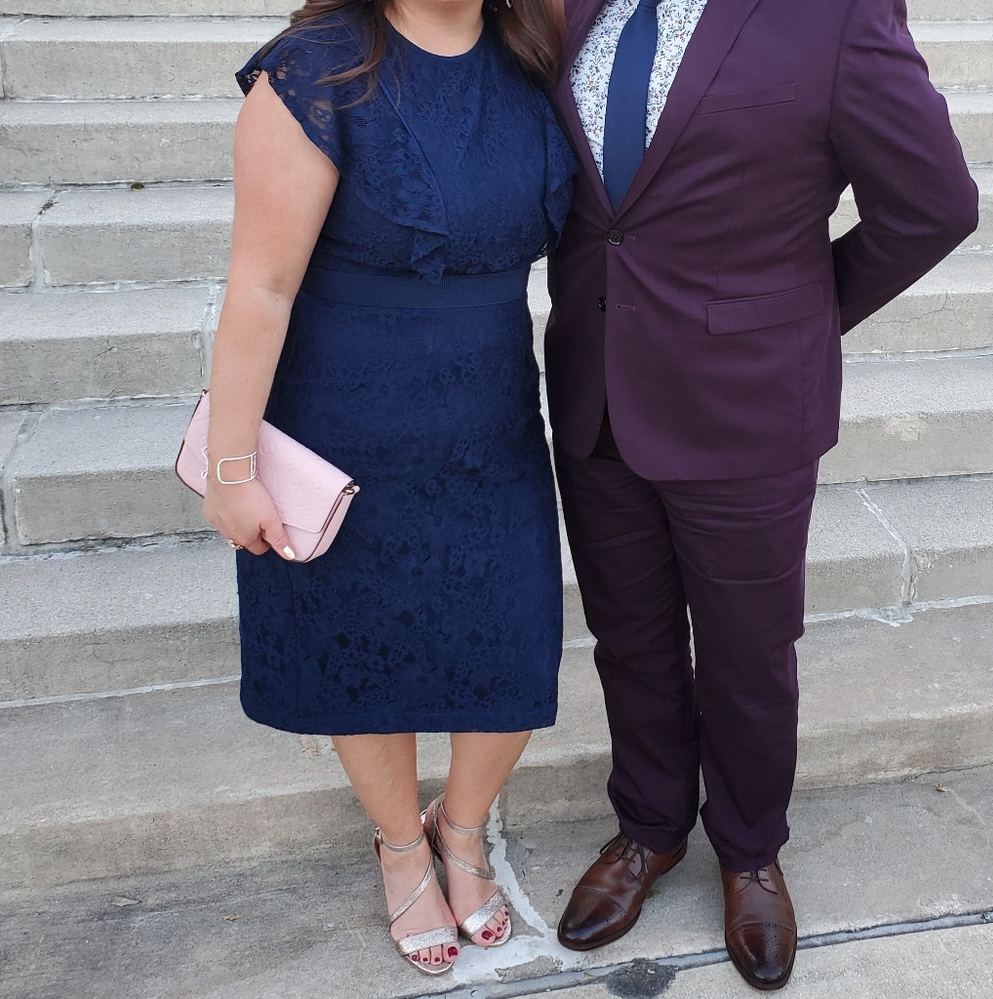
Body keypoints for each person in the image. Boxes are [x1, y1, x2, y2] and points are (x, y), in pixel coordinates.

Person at [545, 0, 978, 990]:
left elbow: (936, 205)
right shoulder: (569, 12)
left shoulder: (833, 16)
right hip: (595, 388)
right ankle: (647, 830)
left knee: (747, 650)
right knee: (632, 637)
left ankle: (748, 850)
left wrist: (799, 314)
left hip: (747, 404)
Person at [201, 0, 576, 977]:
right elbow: (260, 287)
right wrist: (230, 468)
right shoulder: (312, 72)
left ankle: (461, 828)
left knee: (510, 649)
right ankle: (401, 847)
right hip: (345, 414)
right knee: (362, 646)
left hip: (490, 412)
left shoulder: (533, 52)